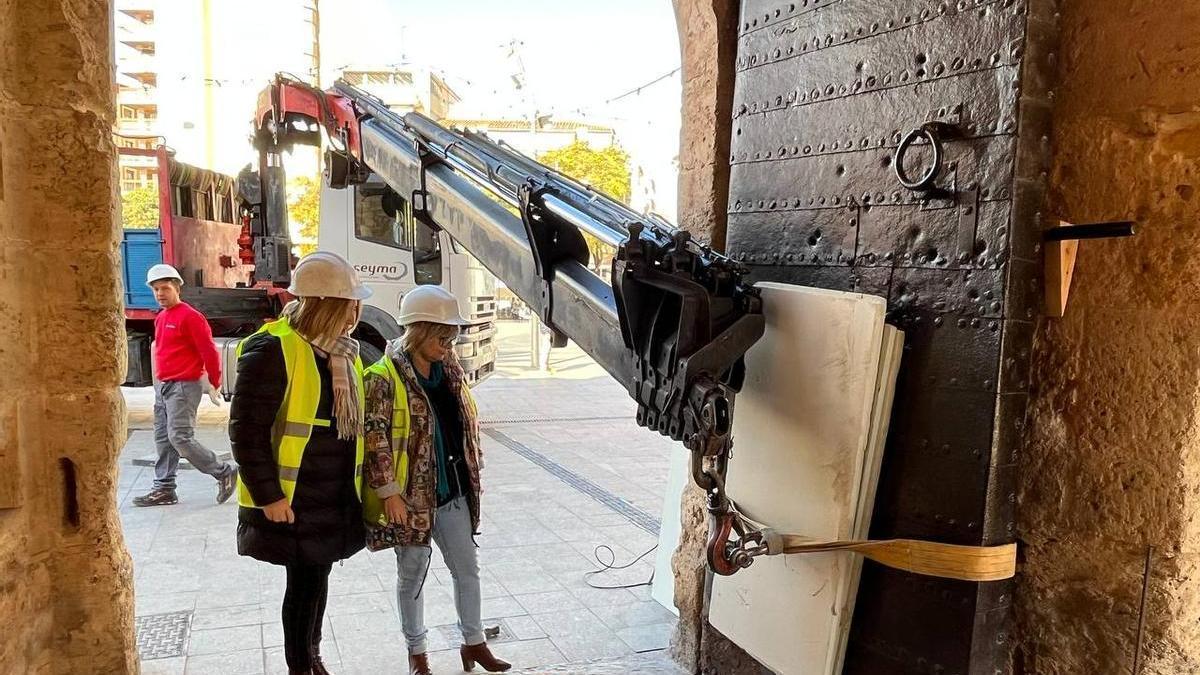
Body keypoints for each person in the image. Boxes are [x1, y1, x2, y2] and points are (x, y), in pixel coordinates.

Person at [229, 251, 372, 675]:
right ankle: (301, 665)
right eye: (350, 304)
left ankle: (312, 655)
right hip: (295, 496)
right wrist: (269, 496)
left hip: (332, 494)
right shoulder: (272, 349)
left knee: (317, 580)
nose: (355, 312)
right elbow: (246, 432)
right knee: (304, 585)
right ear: (329, 305)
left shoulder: (346, 353)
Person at [363, 285, 511, 675]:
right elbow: (375, 439)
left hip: (453, 490)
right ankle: (418, 654)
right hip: (410, 497)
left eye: (453, 336)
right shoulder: (383, 375)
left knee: (468, 569)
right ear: (420, 331)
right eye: (443, 336)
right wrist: (389, 493)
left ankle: (474, 644)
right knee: (412, 574)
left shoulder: (450, 369)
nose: (450, 343)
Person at [133, 263, 238, 507]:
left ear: (177, 287)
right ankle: (164, 489)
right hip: (165, 386)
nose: (160, 293)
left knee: (180, 437)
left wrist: (214, 382)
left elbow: (209, 352)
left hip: (183, 386)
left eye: (165, 288)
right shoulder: (161, 318)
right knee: (163, 438)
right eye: (156, 289)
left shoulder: (190, 317)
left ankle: (222, 471)